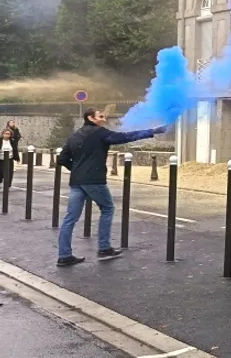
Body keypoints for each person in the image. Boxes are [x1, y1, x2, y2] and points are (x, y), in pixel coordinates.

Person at [55, 108, 166, 266]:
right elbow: (125, 137)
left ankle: (64, 255)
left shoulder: (74, 135)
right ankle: (104, 247)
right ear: (91, 118)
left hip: (77, 181)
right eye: (100, 116)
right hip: (94, 180)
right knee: (107, 209)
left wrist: (77, 169)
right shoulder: (100, 133)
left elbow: (62, 159)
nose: (103, 118)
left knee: (70, 218)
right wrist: (152, 131)